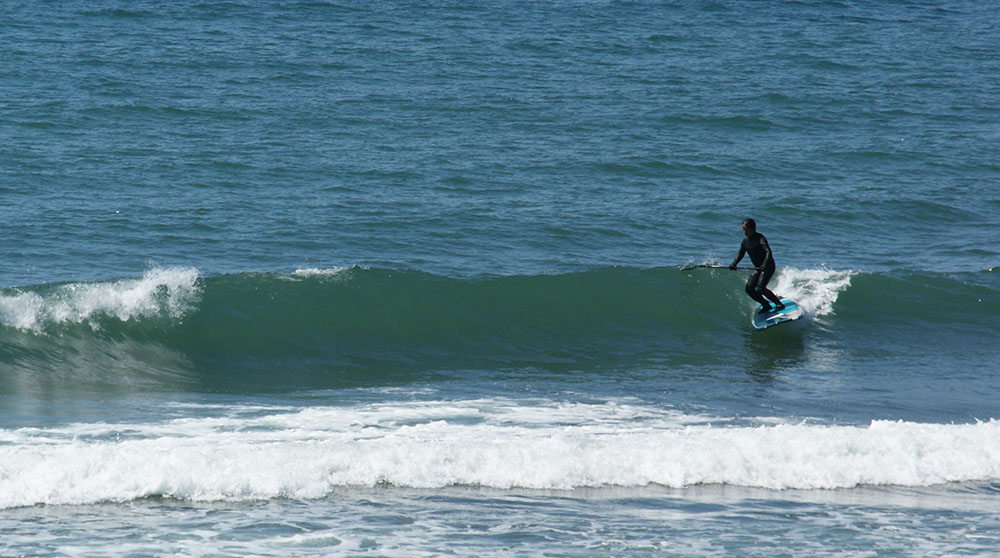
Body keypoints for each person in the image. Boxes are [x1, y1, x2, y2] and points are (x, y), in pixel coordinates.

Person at [730, 218, 784, 312]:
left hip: (768, 266)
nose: (744, 232)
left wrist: (764, 265)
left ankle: (779, 304)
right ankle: (766, 305)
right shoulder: (745, 241)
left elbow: (768, 252)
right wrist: (734, 264)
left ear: (752, 229)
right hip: (758, 268)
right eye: (743, 229)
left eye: (745, 229)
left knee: (760, 288)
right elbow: (740, 254)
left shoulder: (760, 238)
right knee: (749, 289)